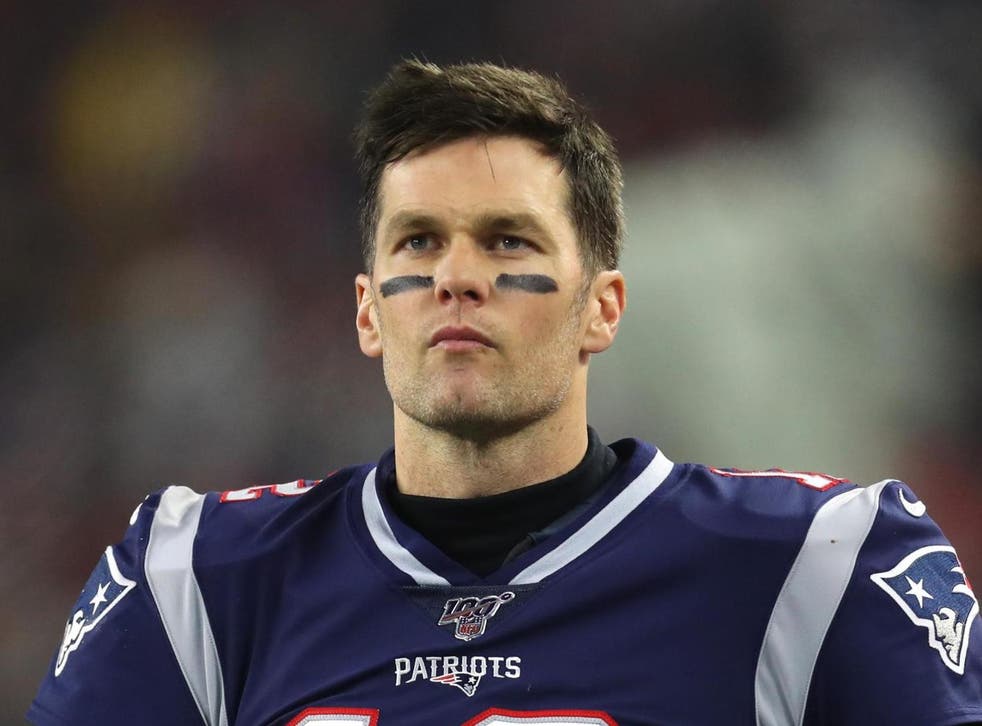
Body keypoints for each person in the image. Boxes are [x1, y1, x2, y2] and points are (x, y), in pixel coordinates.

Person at [30, 59, 982, 726]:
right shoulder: (196, 579)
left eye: (508, 241)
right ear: (367, 313)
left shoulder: (816, 567)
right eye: (417, 242)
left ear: (601, 309)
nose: (456, 277)